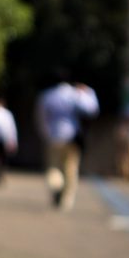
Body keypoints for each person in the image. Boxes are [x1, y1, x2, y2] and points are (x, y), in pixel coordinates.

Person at [36, 76, 99, 210]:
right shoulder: (76, 95)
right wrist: (88, 92)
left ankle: (57, 185)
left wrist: (45, 133)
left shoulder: (48, 95)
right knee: (71, 169)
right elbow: (92, 109)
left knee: (54, 167)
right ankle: (67, 199)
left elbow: (41, 116)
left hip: (53, 137)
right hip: (72, 137)